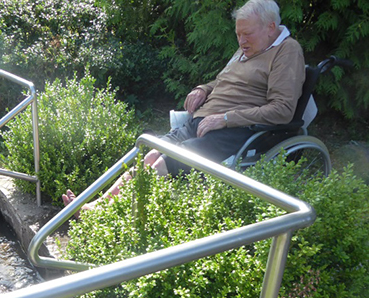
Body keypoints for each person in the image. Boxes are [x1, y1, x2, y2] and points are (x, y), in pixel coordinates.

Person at [62, 0, 305, 213]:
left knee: (164, 163)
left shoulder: (286, 50)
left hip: (237, 130)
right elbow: (224, 81)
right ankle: (97, 205)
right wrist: (203, 89)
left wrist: (226, 118)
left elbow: (282, 109)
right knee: (152, 151)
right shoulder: (249, 48)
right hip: (203, 121)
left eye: (247, 34)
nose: (241, 40)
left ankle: (106, 215)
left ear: (271, 27)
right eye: (238, 34)